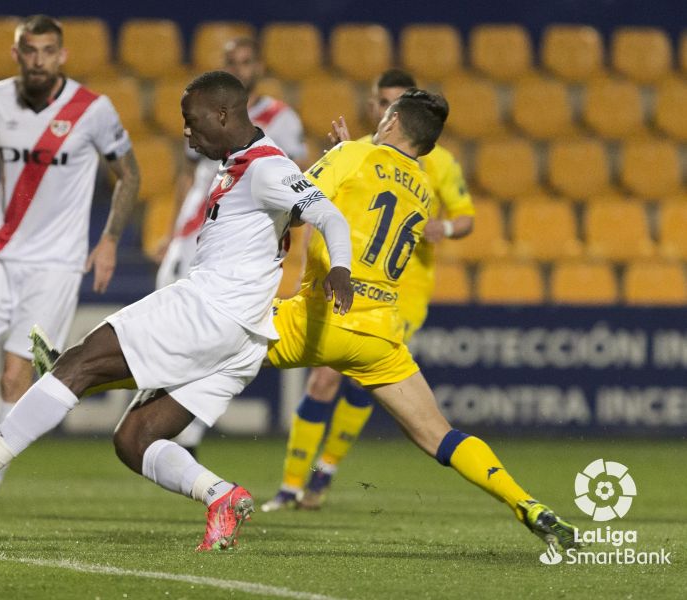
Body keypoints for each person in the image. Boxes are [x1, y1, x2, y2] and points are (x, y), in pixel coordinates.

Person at [30, 89, 581, 552]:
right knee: (439, 434)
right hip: (377, 335)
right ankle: (527, 505)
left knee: (209, 341)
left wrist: (339, 155)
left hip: (314, 316)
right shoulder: (421, 191)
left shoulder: (355, 156)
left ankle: (76, 371)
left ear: (389, 121)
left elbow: (297, 201)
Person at [0, 70, 355, 551]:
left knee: (80, 362)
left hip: (210, 309)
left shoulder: (266, 167)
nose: (186, 131)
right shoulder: (243, 164)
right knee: (133, 439)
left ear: (224, 114)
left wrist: (341, 268)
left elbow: (327, 213)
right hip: (243, 338)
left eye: (192, 119)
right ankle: (221, 497)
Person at [0, 14, 140, 516]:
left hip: (57, 266)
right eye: (30, 50)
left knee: (12, 378)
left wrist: (109, 239)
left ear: (62, 56)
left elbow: (129, 175)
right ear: (16, 53)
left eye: (48, 51)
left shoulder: (93, 109)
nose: (39, 60)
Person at [263, 69, 476, 511]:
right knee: (324, 380)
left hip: (404, 294)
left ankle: (322, 474)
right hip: (348, 287)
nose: (382, 111)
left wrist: (448, 227)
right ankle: (291, 485)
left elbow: (466, 217)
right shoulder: (360, 150)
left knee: (361, 386)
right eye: (380, 102)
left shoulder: (438, 164)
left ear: (402, 117)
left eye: (391, 105)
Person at [155, 37, 309, 456]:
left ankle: (185, 438)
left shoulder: (281, 118)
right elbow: (187, 177)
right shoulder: (205, 109)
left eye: (246, 62)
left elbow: (299, 186)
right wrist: (170, 233)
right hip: (193, 231)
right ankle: (166, 424)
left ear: (259, 66)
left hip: (239, 240)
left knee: (208, 337)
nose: (241, 69)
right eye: (232, 62)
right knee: (172, 327)